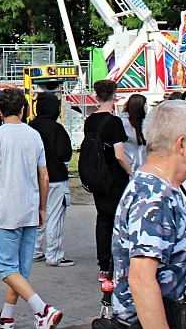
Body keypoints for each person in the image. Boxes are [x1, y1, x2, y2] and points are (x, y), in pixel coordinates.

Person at [110, 99, 186, 329]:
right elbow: (141, 280)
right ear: (182, 145)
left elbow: (179, 273)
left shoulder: (161, 189)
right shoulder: (155, 197)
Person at [0, 88, 63, 329]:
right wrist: (42, 208)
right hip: (29, 208)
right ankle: (6, 318)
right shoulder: (33, 135)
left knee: (6, 268)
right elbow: (45, 177)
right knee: (20, 271)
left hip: (7, 210)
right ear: (24, 109)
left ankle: (42, 310)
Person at [84, 79, 132, 284]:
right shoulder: (114, 122)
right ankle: (118, 264)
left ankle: (103, 266)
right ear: (114, 96)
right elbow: (119, 154)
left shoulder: (90, 121)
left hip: (97, 178)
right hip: (114, 178)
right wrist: (131, 172)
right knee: (118, 221)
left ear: (96, 96)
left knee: (103, 220)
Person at [30, 85, 74, 267]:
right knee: (55, 215)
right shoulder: (56, 129)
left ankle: (34, 249)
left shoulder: (30, 127)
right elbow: (66, 153)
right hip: (55, 177)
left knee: (38, 215)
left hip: (34, 179)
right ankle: (54, 254)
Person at [121, 94, 147, 173]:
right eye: (145, 104)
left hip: (142, 169)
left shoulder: (143, 123)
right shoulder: (123, 122)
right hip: (129, 170)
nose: (147, 107)